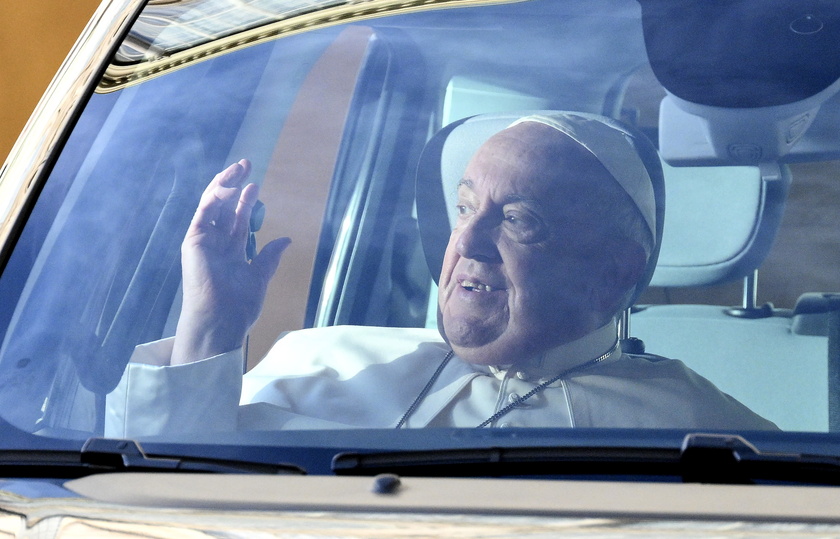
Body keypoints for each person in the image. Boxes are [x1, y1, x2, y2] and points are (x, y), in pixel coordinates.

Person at [105, 113, 777, 436]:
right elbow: (157, 487)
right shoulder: (321, 356)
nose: (468, 241)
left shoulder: (705, 430)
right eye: (463, 207)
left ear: (613, 273)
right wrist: (210, 329)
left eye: (518, 219)